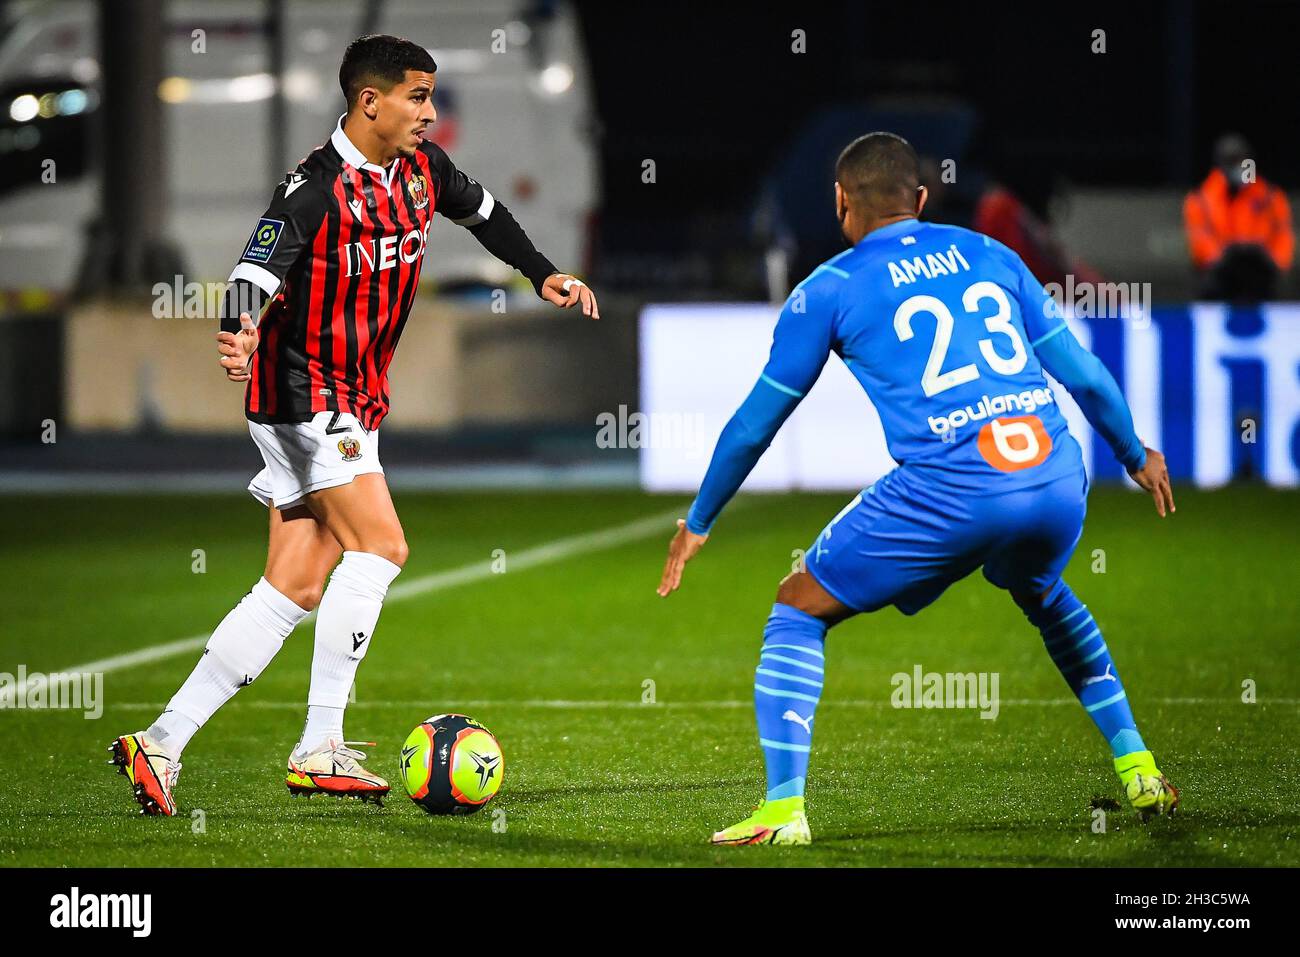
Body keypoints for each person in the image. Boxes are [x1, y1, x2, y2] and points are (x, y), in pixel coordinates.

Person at [109, 34, 599, 816]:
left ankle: (160, 742)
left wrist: (543, 271)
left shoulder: (422, 170)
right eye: (417, 97)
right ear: (370, 101)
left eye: (431, 97)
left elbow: (487, 214)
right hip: (303, 395)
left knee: (294, 584)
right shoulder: (314, 187)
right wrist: (238, 326)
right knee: (382, 545)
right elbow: (252, 271)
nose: (430, 113)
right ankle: (319, 745)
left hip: (351, 396)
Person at [658, 132, 1177, 846]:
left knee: (798, 606)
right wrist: (1135, 452)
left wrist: (700, 519)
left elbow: (755, 424)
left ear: (841, 202)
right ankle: (1139, 765)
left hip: (954, 488)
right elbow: (1083, 373)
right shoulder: (994, 255)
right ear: (924, 199)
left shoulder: (829, 288)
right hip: (1056, 476)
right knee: (1043, 590)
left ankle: (782, 812)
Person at [1184, 133, 1293, 301]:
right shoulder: (1200, 200)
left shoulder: (1270, 196)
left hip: (1262, 282)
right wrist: (1224, 258)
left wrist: (1272, 261)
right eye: (1231, 161)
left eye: (1241, 160)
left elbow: (1282, 236)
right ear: (1219, 164)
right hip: (1218, 283)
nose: (1238, 166)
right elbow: (1200, 241)